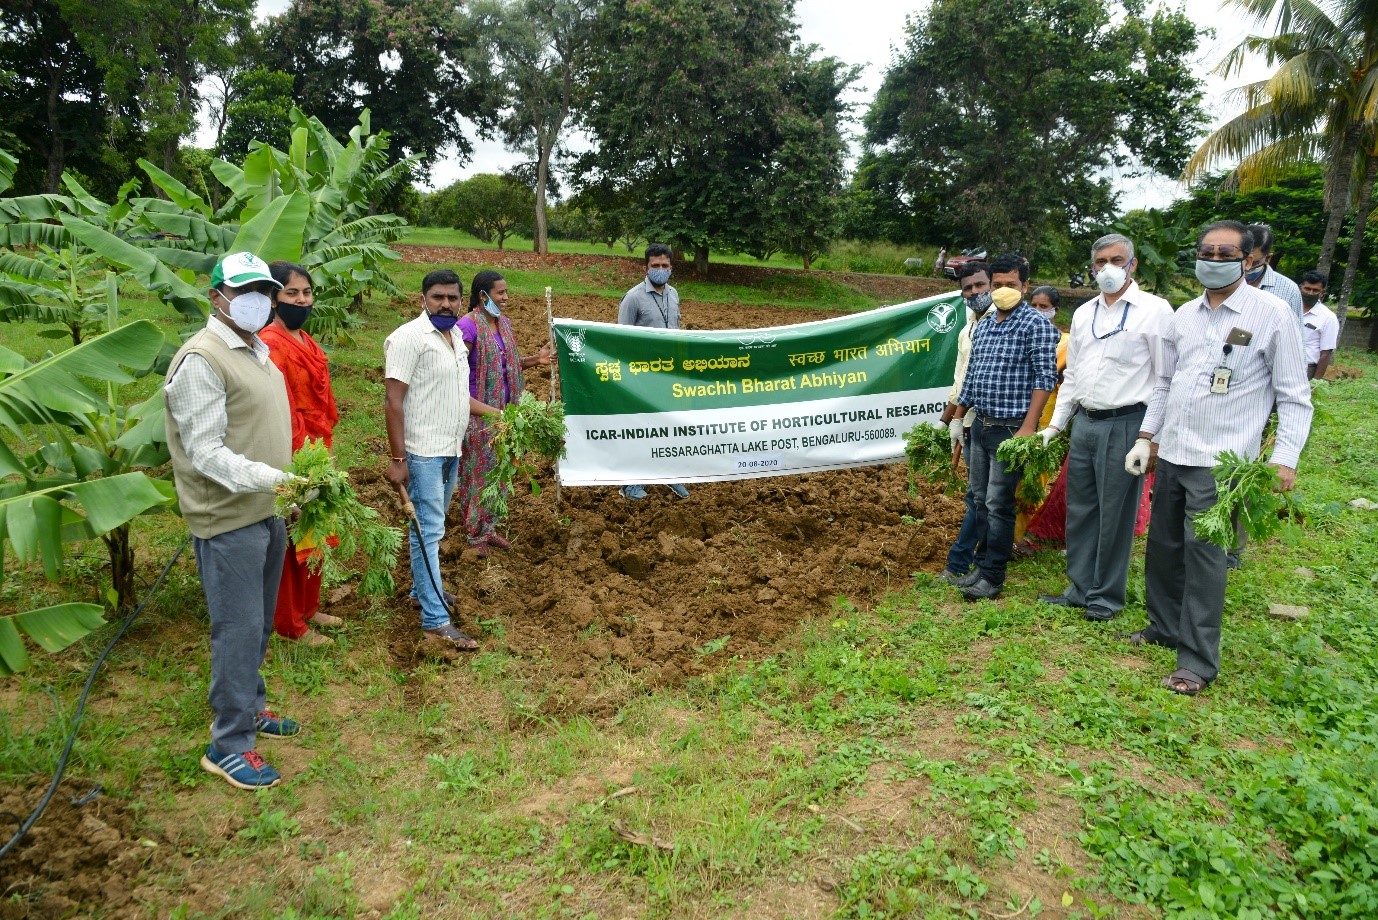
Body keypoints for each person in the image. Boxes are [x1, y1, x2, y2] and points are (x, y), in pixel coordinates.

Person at [1125, 221, 1312, 695]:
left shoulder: (1272, 314)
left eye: (1225, 252)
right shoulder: (1184, 315)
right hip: (1175, 452)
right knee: (1164, 549)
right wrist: (1148, 437)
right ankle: (1163, 626)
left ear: (1250, 260)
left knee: (1205, 559)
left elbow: (1294, 395)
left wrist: (1284, 459)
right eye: (1205, 251)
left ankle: (1196, 661)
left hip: (1223, 462)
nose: (1212, 259)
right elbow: (1166, 384)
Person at [165, 251, 300, 790]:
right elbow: (206, 452)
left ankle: (250, 705)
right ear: (216, 296)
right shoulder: (202, 358)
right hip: (228, 519)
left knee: (259, 623)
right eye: (245, 291)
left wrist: (282, 491)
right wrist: (274, 480)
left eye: (265, 291)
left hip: (265, 511)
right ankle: (229, 743)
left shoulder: (258, 350)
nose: (259, 301)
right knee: (237, 629)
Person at [1035, 234, 1173, 621]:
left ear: (1132, 265)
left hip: (1127, 423)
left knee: (1116, 512)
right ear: (1092, 267)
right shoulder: (1084, 313)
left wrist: (1150, 438)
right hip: (1086, 422)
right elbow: (1073, 375)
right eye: (1100, 261)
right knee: (1081, 509)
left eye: (1117, 259)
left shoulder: (1155, 311)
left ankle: (1106, 596)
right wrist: (1056, 426)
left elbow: (1165, 378)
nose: (1107, 268)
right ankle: (1079, 587)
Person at [384, 270, 499, 652]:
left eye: (452, 298)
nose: (445, 304)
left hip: (451, 448)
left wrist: (502, 415)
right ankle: (435, 620)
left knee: (430, 528)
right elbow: (393, 402)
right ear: (423, 299)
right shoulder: (408, 339)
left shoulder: (456, 341)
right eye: (437, 297)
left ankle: (421, 590)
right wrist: (398, 457)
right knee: (429, 532)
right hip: (422, 452)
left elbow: (459, 398)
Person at [946, 252, 1060, 600]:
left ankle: (994, 576)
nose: (1002, 290)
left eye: (1011, 284)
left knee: (999, 503)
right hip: (980, 424)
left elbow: (1045, 378)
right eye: (997, 285)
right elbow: (973, 377)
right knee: (979, 499)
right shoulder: (984, 325)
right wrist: (954, 416)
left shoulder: (1035, 325)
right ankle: (980, 567)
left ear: (1024, 286)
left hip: (1010, 429)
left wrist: (1029, 427)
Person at [259, 261, 340, 647]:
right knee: (291, 537)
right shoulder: (270, 344)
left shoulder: (307, 340)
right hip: (292, 450)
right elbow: (281, 407)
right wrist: (296, 460)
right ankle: (290, 623)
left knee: (314, 529)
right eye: (292, 293)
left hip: (317, 447)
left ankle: (309, 608)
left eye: (307, 293)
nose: (302, 300)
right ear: (273, 298)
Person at [455, 270, 553, 557]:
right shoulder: (468, 327)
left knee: (499, 474)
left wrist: (536, 359)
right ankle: (475, 534)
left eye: (506, 292)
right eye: (501, 293)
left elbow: (505, 366)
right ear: (483, 296)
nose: (506, 298)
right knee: (478, 475)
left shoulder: (503, 325)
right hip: (478, 416)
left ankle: (489, 528)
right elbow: (455, 372)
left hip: (504, 416)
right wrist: (489, 413)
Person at [618, 243, 689, 500]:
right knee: (639, 428)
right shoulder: (633, 298)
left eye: (665, 266)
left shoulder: (674, 294)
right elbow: (621, 340)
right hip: (641, 376)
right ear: (645, 268)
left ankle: (671, 476)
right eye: (655, 266)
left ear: (671, 268)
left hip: (669, 376)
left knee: (669, 426)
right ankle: (630, 483)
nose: (660, 270)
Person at [938, 261, 993, 584]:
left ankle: (961, 562)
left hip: (988, 420)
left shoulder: (999, 325)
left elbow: (978, 382)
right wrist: (946, 421)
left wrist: (957, 418)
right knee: (979, 496)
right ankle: (975, 558)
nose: (974, 293)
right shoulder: (967, 327)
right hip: (968, 420)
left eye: (979, 286)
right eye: (968, 288)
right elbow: (960, 381)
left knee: (980, 497)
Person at [1243, 223, 1304, 322]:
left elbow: (1296, 333)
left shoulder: (1289, 290)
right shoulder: (1222, 280)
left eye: (1254, 262)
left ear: (1268, 258)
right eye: (1243, 260)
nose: (1247, 266)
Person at [1298, 271, 1337, 380]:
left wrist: (1315, 382)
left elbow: (1325, 354)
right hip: (1280, 363)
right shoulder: (1288, 309)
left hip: (1306, 369)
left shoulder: (1328, 318)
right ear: (1300, 288)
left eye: (1315, 290)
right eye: (1307, 289)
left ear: (1322, 292)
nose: (1310, 293)